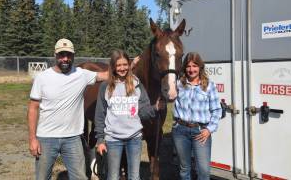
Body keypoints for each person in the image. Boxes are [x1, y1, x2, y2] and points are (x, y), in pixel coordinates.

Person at [27, 38, 108, 180]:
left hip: (73, 138)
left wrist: (132, 65)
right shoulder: (42, 78)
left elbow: (108, 75)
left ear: (73, 56)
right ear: (55, 55)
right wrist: (33, 138)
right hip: (46, 138)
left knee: (80, 177)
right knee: (42, 177)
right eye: (62, 54)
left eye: (69, 55)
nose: (65, 58)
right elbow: (33, 109)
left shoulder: (81, 74)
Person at [94, 49, 164, 180]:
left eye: (125, 64)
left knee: (134, 176)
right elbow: (100, 115)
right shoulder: (105, 86)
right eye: (118, 65)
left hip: (134, 139)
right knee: (113, 176)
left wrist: (155, 108)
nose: (122, 68)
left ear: (129, 64)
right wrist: (100, 139)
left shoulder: (137, 85)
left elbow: (143, 112)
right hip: (113, 139)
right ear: (113, 67)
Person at [172, 52, 222, 180]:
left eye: (194, 66)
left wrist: (209, 129)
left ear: (200, 67)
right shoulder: (178, 84)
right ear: (184, 68)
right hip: (180, 131)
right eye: (188, 66)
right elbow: (166, 96)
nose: (191, 69)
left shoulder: (209, 85)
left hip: (200, 132)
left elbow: (217, 110)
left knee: (203, 171)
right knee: (184, 169)